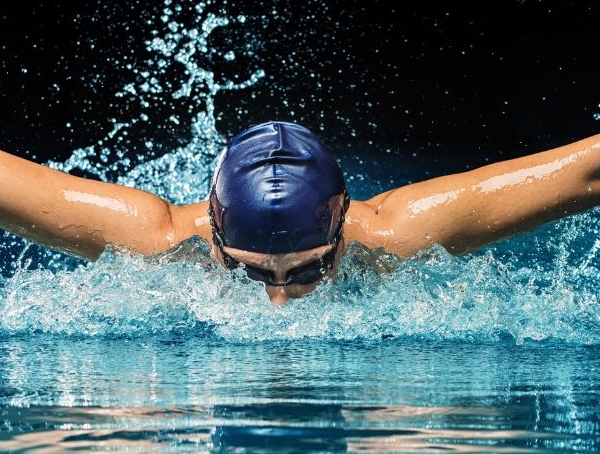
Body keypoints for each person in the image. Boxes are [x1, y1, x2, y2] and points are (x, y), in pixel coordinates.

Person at [1, 120, 600, 304]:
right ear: (212, 229)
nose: (280, 303)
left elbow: (585, 171)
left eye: (309, 270)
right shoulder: (151, 240)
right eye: (250, 273)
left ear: (342, 226)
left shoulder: (403, 234)